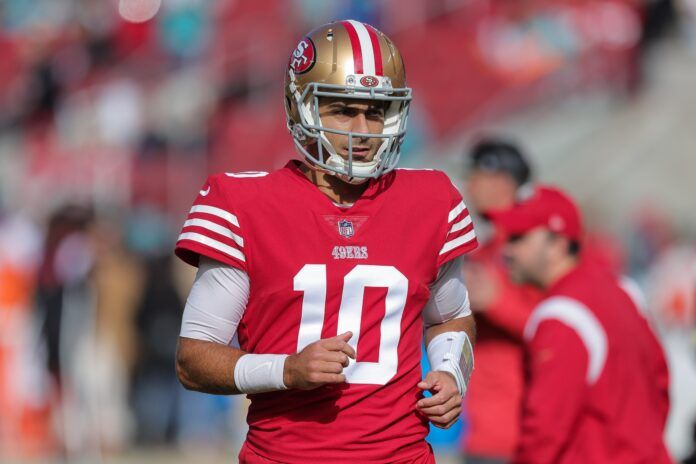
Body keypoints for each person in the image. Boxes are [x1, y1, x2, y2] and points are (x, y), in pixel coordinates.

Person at [174, 20, 479, 464]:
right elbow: (193, 359)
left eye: (375, 111)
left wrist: (451, 372)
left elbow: (452, 317)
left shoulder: (430, 200)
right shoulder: (245, 204)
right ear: (302, 108)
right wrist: (287, 370)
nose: (361, 128)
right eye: (342, 109)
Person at [490, 185, 671, 464]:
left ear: (559, 244)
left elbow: (544, 432)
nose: (507, 249)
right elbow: (660, 382)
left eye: (518, 238)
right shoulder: (622, 288)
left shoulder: (561, 315)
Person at [460, 138, 542, 464]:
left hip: (517, 434)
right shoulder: (485, 250)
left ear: (502, 181)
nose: (468, 185)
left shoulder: (537, 248)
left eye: (475, 175)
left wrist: (497, 301)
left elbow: (560, 325)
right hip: (483, 428)